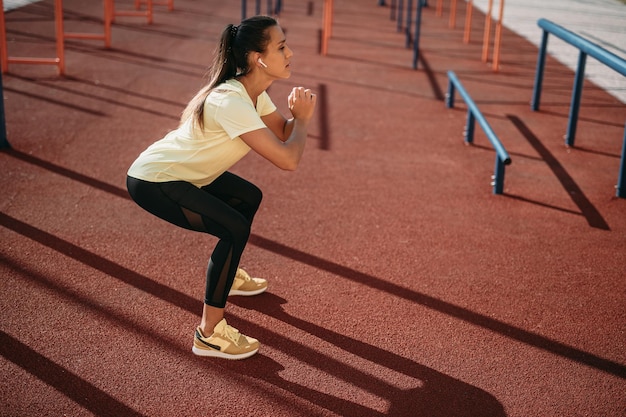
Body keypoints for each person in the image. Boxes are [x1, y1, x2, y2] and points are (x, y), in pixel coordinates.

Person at [126, 15, 317, 360]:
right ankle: (209, 334)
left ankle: (229, 275)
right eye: (282, 46)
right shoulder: (231, 101)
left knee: (248, 197)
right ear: (258, 58)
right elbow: (288, 160)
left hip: (186, 174)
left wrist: (295, 120)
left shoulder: (253, 95)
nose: (291, 53)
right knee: (234, 228)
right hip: (156, 179)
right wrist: (302, 120)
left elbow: (285, 134)